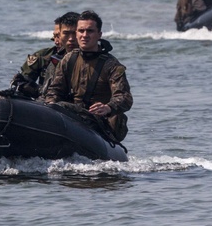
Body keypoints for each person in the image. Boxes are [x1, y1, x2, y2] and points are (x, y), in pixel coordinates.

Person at [43, 10, 132, 142]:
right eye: (81, 31)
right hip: (73, 118)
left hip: (101, 122)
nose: (84, 35)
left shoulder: (111, 65)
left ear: (99, 35)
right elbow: (55, 90)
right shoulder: (69, 59)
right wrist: (50, 105)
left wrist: (108, 107)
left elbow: (125, 97)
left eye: (89, 31)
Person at [11, 11, 79, 97]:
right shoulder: (44, 57)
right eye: (55, 36)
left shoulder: (89, 58)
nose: (57, 41)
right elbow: (24, 80)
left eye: (74, 33)